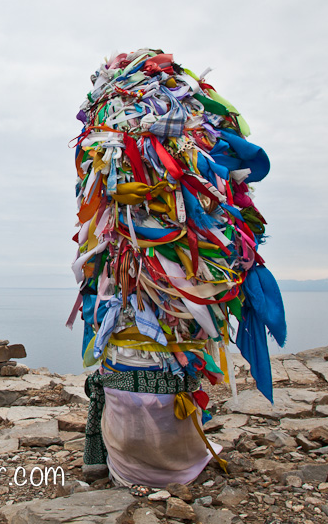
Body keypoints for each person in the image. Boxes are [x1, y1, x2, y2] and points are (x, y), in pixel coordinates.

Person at [69, 49, 286, 489]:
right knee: (153, 347)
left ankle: (132, 457)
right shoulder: (124, 152)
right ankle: (164, 456)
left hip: (146, 270)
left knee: (149, 347)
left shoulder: (131, 145)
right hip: (137, 268)